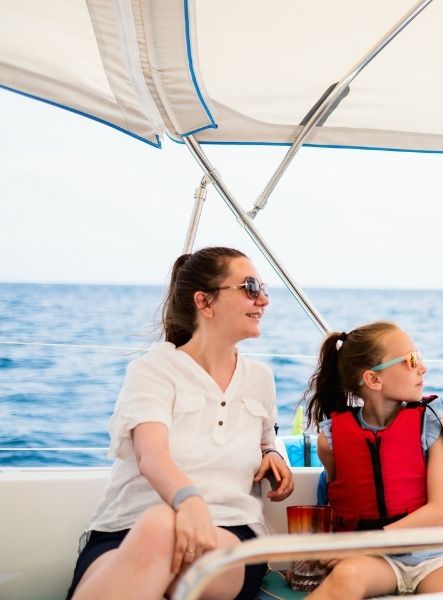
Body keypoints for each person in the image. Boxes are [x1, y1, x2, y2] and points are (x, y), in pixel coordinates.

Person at [67, 247, 294, 600]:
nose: (263, 299)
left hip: (229, 532)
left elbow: (266, 438)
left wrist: (273, 454)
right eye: (250, 287)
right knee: (159, 524)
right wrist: (189, 502)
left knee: (160, 527)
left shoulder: (260, 378)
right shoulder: (153, 369)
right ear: (204, 302)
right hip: (125, 530)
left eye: (263, 289)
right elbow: (151, 454)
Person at [303, 321, 443, 599]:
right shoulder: (331, 440)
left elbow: (438, 512)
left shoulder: (433, 424)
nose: (422, 368)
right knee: (345, 578)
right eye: (411, 360)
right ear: (374, 380)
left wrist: (364, 542)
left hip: (435, 554)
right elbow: (339, 502)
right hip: (375, 560)